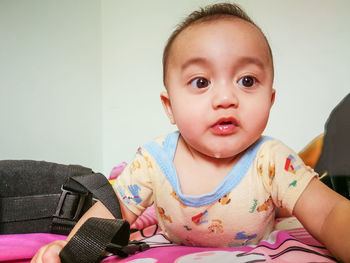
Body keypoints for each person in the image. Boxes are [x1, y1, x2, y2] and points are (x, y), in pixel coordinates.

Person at [32, 3, 350, 263]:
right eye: (201, 82)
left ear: (270, 99)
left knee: (300, 195)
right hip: (172, 232)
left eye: (247, 81)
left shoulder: (273, 160)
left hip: (262, 223)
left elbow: (328, 213)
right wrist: (72, 250)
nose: (226, 98)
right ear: (169, 107)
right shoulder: (153, 161)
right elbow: (112, 210)